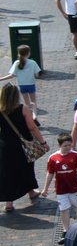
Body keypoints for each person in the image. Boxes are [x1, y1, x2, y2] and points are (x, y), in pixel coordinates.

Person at [0, 83, 44, 213]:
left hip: (5, 145)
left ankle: (10, 202)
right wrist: (42, 142)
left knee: (8, 172)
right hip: (23, 144)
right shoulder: (22, 108)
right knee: (26, 168)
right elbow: (32, 127)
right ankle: (30, 192)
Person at [43, 133, 77, 240]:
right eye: (65, 145)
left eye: (69, 145)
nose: (68, 147)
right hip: (61, 190)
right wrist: (45, 188)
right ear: (59, 146)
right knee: (64, 210)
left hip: (74, 189)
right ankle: (66, 230)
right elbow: (50, 174)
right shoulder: (53, 158)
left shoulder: (75, 155)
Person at [1, 43, 42, 118]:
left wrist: (1, 78)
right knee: (33, 101)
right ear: (28, 53)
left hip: (22, 86)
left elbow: (11, 75)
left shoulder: (17, 63)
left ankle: (29, 115)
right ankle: (35, 114)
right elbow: (37, 75)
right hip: (31, 85)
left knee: (27, 102)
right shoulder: (33, 63)